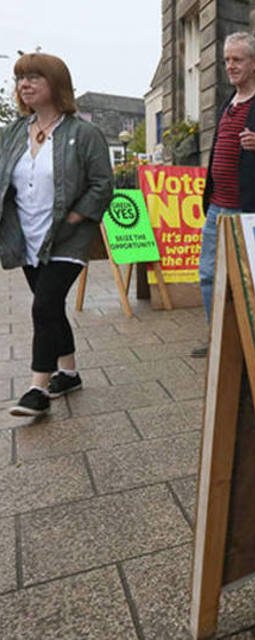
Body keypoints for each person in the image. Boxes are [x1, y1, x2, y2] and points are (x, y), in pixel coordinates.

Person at [0, 53, 113, 416]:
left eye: (35, 77)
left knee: (43, 306)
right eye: (21, 78)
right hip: (26, 236)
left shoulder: (83, 134)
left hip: (67, 236)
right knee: (52, 308)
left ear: (56, 83)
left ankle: (37, 389)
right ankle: (69, 372)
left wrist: (79, 215)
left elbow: (102, 183)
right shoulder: (13, 133)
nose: (25, 84)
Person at [193, 31, 255, 357]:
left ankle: (254, 343)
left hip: (248, 209)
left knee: (252, 282)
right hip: (216, 208)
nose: (230, 66)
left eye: (237, 60)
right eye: (227, 60)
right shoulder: (227, 104)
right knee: (208, 274)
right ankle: (217, 339)